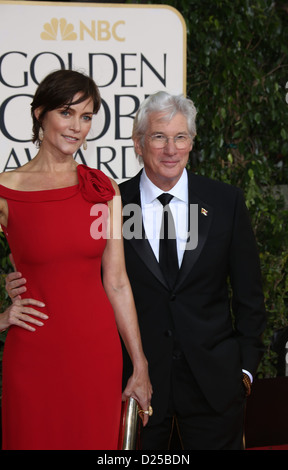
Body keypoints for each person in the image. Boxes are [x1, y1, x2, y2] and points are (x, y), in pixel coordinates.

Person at [6, 91, 266, 450]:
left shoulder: (225, 202)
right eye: (159, 137)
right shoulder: (107, 200)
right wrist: (25, 282)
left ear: (192, 142)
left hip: (215, 389)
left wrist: (245, 371)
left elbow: (250, 294)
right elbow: (81, 271)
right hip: (132, 388)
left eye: (181, 137)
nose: (171, 149)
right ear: (138, 144)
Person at [0, 69, 152, 450]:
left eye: (86, 117)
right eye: (66, 113)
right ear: (40, 114)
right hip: (32, 354)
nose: (77, 127)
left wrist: (140, 363)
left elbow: (116, 281)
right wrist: (2, 316)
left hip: (95, 355)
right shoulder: (6, 191)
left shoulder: (103, 189)